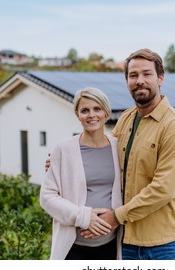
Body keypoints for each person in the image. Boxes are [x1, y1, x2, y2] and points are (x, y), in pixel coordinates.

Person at [82, 48, 175, 260]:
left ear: (160, 78)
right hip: (127, 242)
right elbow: (103, 153)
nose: (139, 80)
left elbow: (164, 189)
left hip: (167, 245)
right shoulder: (126, 118)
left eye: (147, 74)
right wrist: (65, 160)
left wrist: (115, 217)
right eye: (133, 75)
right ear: (127, 81)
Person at [40, 87, 123, 260]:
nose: (91, 115)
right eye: (85, 110)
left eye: (97, 109)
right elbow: (47, 197)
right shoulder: (63, 149)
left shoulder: (119, 148)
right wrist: (84, 217)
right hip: (73, 247)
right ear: (77, 114)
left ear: (106, 112)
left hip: (111, 247)